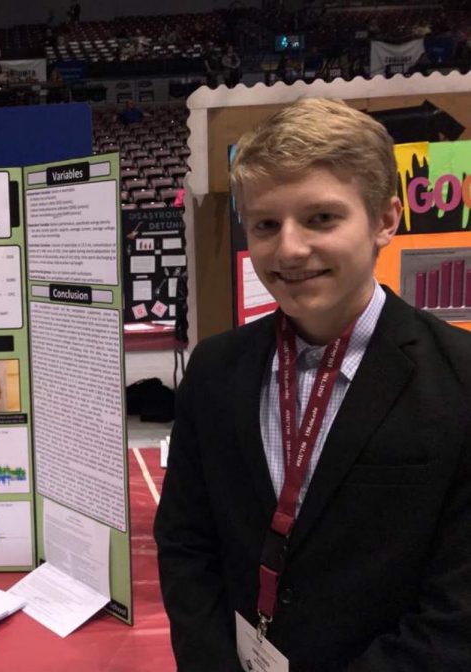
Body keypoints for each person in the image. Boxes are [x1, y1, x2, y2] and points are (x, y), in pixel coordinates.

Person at [154, 98, 471, 671]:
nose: (290, 249)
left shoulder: (459, 379)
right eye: (267, 224)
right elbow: (186, 544)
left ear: (384, 219)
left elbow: (456, 611)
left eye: (322, 218)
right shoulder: (215, 370)